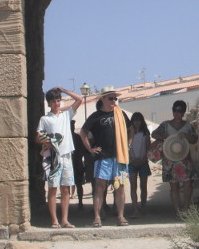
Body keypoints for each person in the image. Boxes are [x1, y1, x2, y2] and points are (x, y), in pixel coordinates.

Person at [79, 86, 131, 227]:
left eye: (115, 98)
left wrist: (128, 145)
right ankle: (97, 216)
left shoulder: (120, 114)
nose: (113, 100)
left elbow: (130, 129)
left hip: (119, 157)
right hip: (103, 157)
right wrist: (90, 149)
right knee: (100, 186)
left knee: (120, 186)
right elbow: (83, 132)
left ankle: (121, 216)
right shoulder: (95, 116)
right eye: (110, 98)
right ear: (102, 99)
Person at [37, 86, 83, 228]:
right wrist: (47, 141)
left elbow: (79, 99)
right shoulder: (45, 119)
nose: (57, 103)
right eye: (54, 101)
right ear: (49, 103)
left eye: (58, 100)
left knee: (65, 189)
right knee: (53, 188)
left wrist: (63, 90)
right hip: (54, 157)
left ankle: (64, 219)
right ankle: (54, 220)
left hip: (67, 156)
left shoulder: (66, 115)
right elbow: (37, 137)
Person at [151, 99, 198, 216]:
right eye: (175, 110)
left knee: (188, 184)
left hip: (185, 159)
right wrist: (164, 136)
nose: (177, 113)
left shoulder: (188, 126)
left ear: (183, 112)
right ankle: (178, 211)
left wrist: (186, 136)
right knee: (174, 186)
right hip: (169, 159)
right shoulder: (165, 125)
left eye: (180, 110)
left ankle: (186, 208)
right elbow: (153, 134)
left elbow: (195, 139)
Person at [127, 112, 151, 217]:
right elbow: (126, 148)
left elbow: (148, 148)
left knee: (143, 186)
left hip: (143, 161)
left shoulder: (145, 133)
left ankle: (143, 207)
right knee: (133, 186)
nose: (136, 122)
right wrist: (131, 159)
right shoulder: (128, 133)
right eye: (134, 120)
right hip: (131, 162)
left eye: (138, 120)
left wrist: (143, 159)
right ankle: (135, 208)